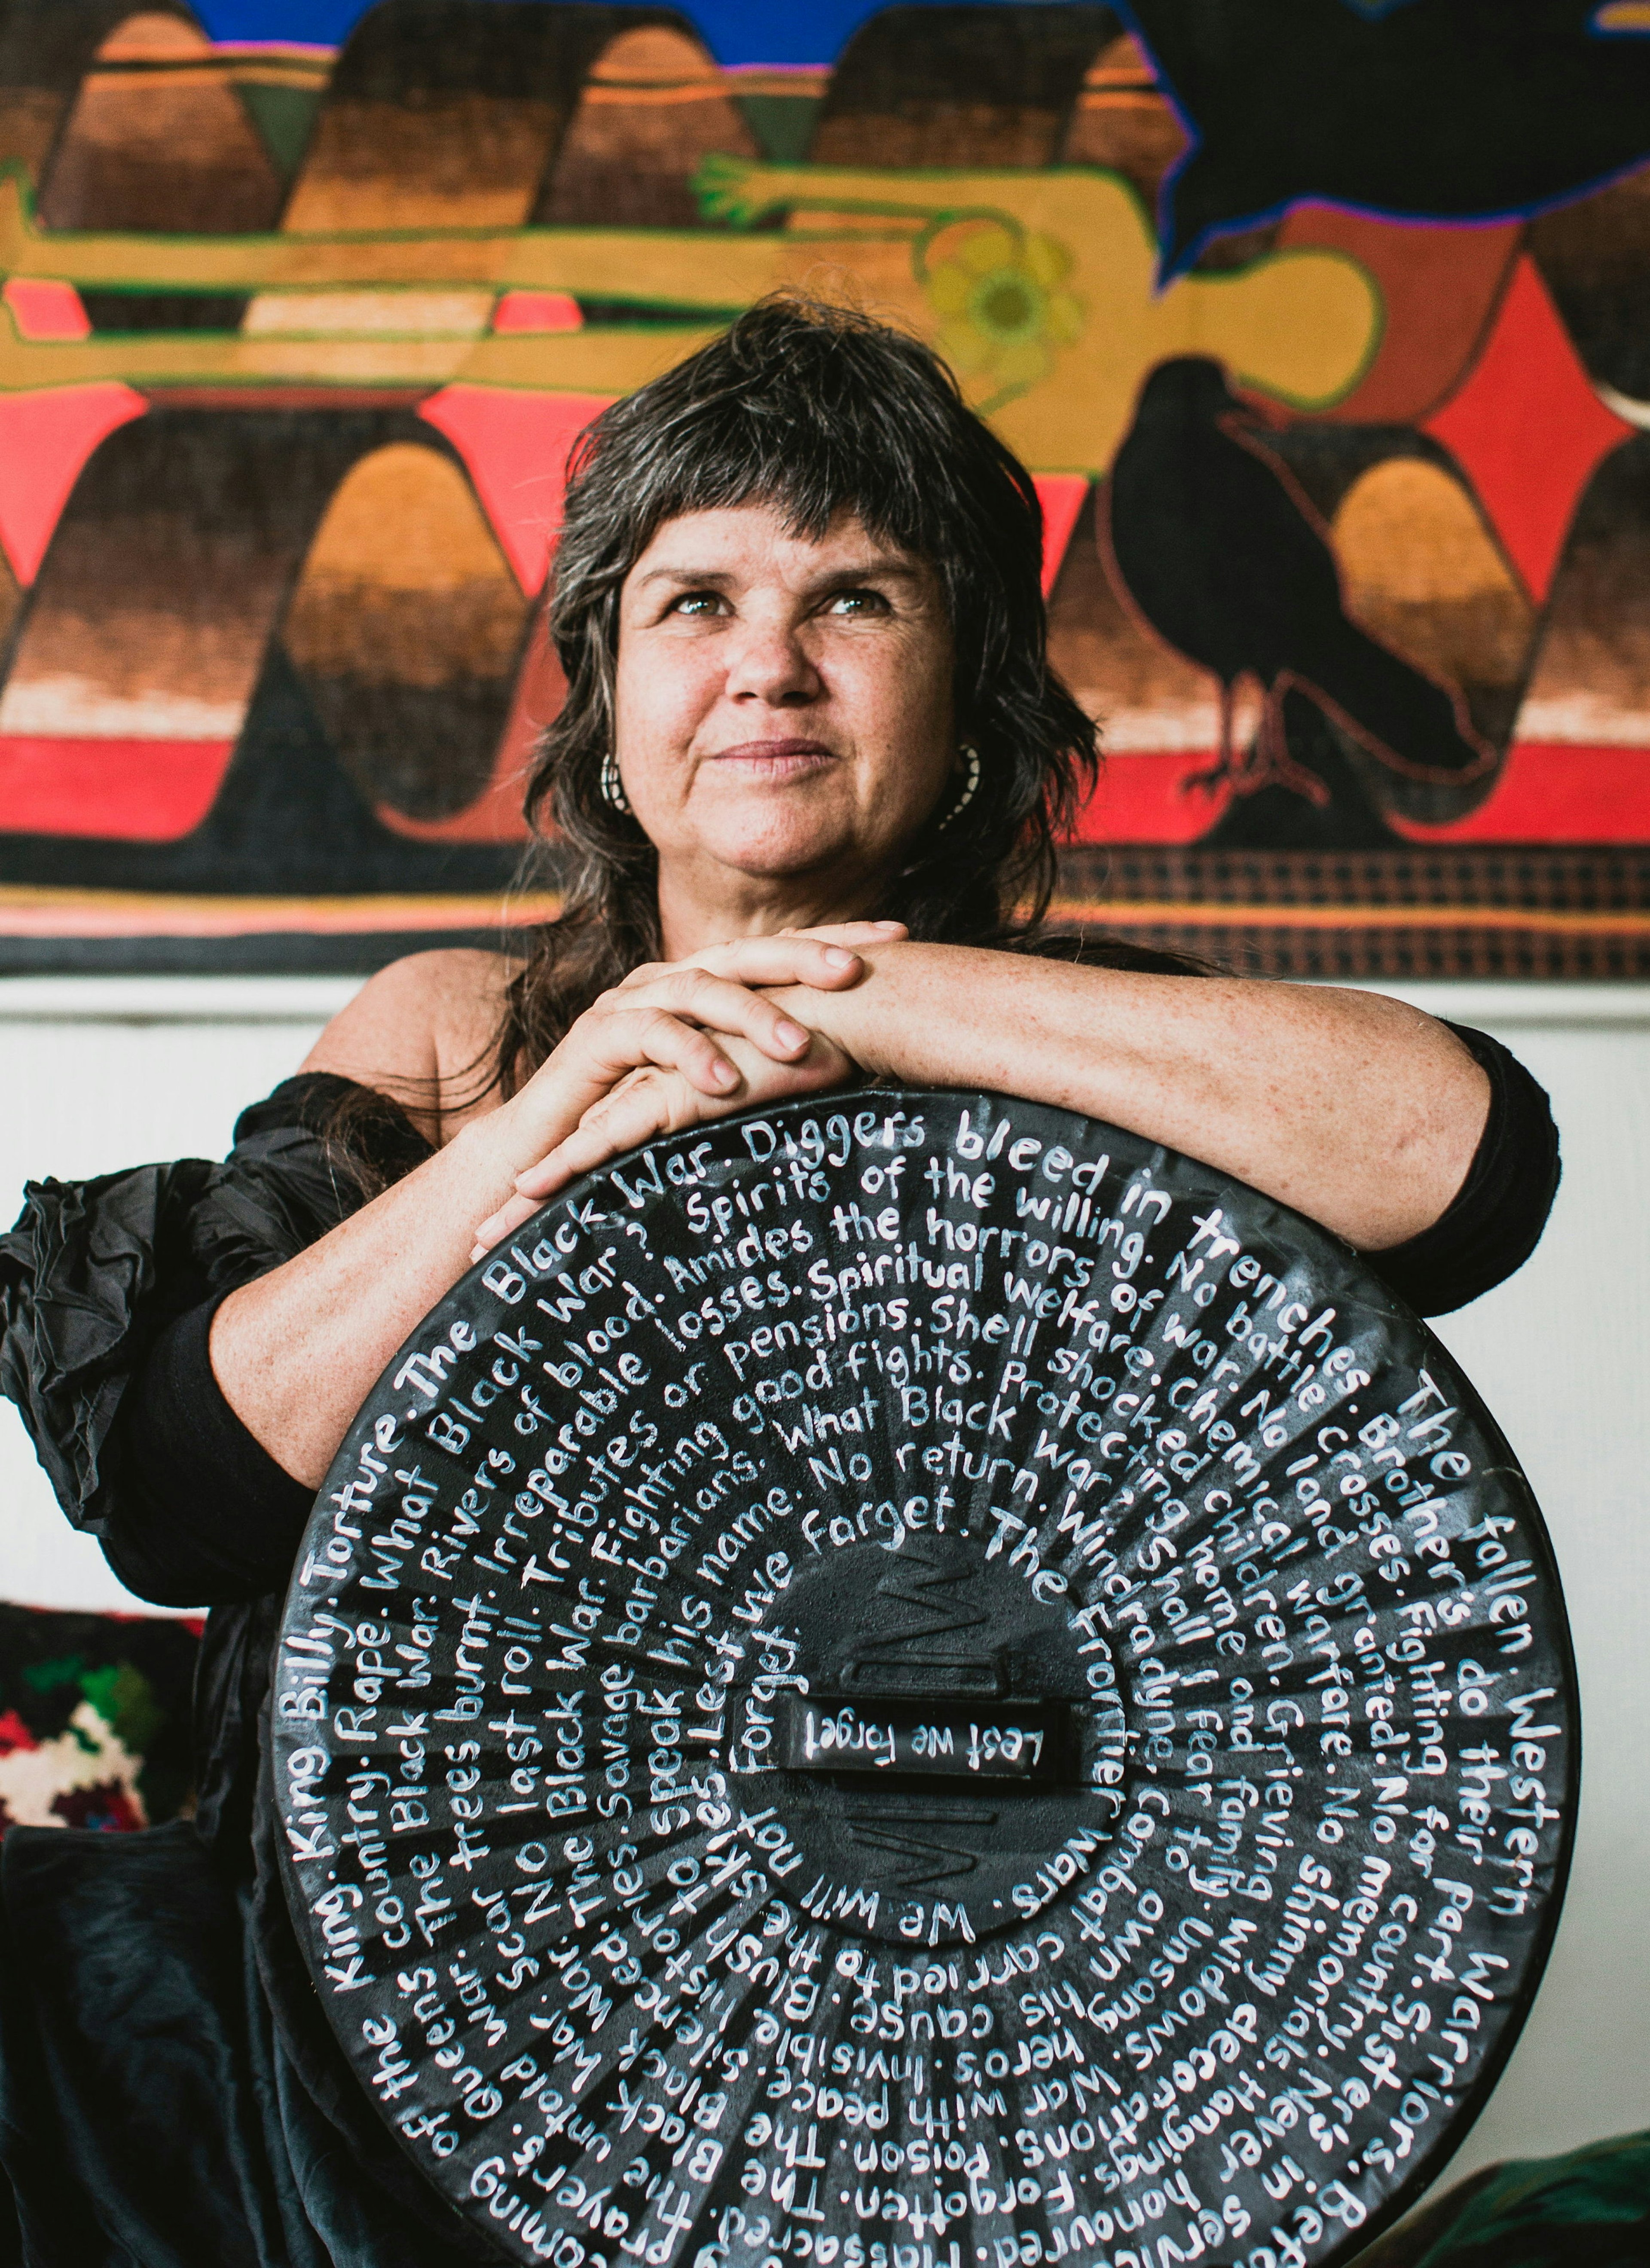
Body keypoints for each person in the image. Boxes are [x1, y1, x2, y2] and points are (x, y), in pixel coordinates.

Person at [0, 298, 1558, 2266]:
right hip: (408, 2009)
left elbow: (1472, 1164)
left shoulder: (1081, 1044)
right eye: (697, 602)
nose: (769, 670)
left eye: (857, 601)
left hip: (969, 2009)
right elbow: (170, 1485)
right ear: (605, 698)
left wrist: (860, 984)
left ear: (973, 685)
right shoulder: (452, 1030)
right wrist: (543, 1131)